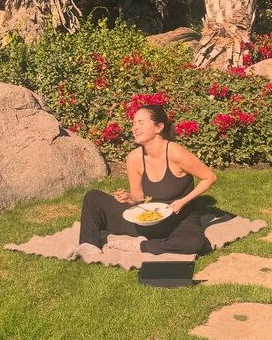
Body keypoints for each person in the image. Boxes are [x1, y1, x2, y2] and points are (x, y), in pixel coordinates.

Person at [78, 105, 217, 256]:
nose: (135, 128)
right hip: (149, 221)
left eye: (141, 122)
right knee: (93, 198)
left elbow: (209, 177)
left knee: (195, 243)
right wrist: (129, 198)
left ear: (159, 127)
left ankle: (142, 246)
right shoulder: (134, 158)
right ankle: (89, 245)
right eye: (134, 123)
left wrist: (183, 201)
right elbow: (138, 197)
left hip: (179, 220)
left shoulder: (175, 152)